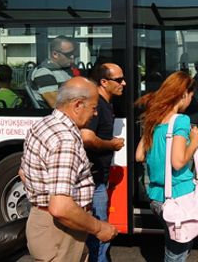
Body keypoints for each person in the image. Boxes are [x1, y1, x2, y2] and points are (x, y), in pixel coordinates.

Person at [21, 76, 118, 261]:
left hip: (42, 224)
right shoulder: (66, 140)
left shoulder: (43, 124)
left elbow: (23, 173)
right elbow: (61, 208)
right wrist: (99, 228)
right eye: (94, 108)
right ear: (77, 105)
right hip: (60, 232)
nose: (95, 114)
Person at [135, 71, 198, 262]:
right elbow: (178, 162)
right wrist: (195, 141)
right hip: (178, 197)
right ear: (183, 94)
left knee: (173, 244)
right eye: (191, 96)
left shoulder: (154, 119)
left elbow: (139, 155)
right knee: (177, 253)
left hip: (157, 198)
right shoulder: (181, 120)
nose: (191, 100)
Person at [82, 63, 126, 262]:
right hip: (93, 179)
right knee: (99, 231)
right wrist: (111, 145)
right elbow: (87, 137)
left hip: (99, 177)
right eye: (119, 80)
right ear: (104, 82)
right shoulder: (96, 105)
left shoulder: (106, 103)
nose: (123, 83)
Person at [28, 36, 76, 109]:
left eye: (73, 53)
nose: (72, 57)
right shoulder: (44, 73)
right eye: (68, 54)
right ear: (55, 54)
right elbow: (57, 105)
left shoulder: (64, 70)